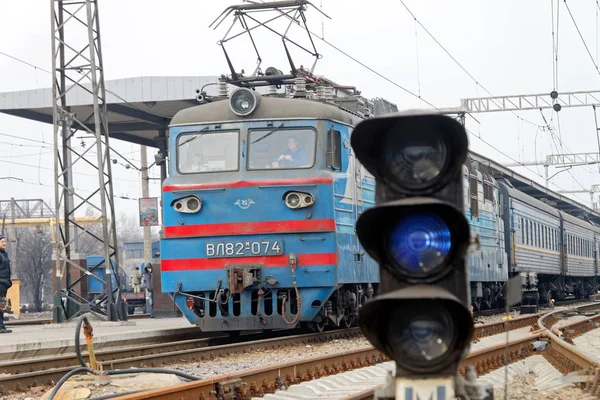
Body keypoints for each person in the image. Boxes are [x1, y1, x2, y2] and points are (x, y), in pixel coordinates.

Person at [0, 236, 12, 333]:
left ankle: (2, 325)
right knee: (0, 304)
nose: (4, 243)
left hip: (4, 283)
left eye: (5, 241)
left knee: (3, 305)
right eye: (2, 241)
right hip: (0, 282)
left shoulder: (5, 254)